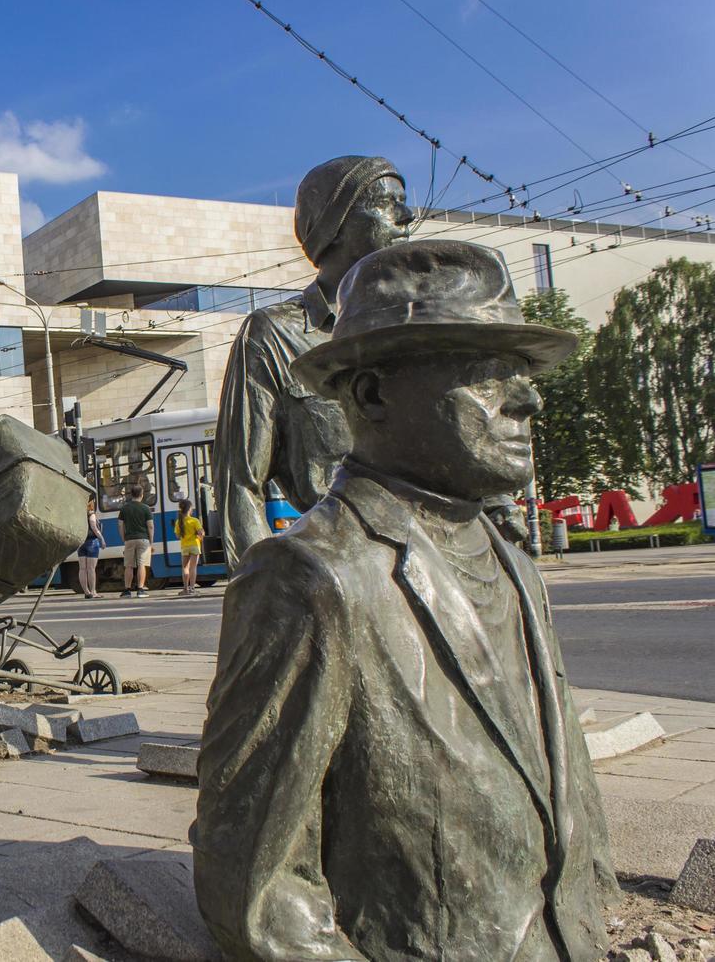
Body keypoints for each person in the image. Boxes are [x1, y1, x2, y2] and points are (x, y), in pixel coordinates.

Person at [193, 238, 617, 961]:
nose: (528, 398)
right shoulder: (312, 580)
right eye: (487, 376)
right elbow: (256, 889)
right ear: (373, 394)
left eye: (521, 372)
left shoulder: (515, 564)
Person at [214, 156, 412, 569]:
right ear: (334, 224)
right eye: (386, 203)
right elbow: (239, 482)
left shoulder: (417, 321)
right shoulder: (274, 334)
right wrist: (260, 585)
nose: (406, 217)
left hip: (439, 559)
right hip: (343, 565)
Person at [118, 482, 153, 598]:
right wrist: (151, 541)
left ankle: (127, 590)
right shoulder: (146, 508)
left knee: (129, 565)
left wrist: (124, 538)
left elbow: (120, 525)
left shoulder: (124, 508)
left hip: (129, 539)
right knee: (141, 564)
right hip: (143, 539)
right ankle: (140, 589)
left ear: (131, 495)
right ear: (142, 495)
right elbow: (150, 526)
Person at [173, 499, 203, 596]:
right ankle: (192, 589)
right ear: (190, 509)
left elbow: (177, 536)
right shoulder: (195, 521)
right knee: (193, 567)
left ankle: (185, 589)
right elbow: (200, 533)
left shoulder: (178, 522)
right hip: (195, 545)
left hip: (185, 547)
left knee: (185, 568)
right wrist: (200, 536)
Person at [77, 496, 104, 598]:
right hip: (92, 542)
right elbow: (93, 525)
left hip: (81, 543)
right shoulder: (91, 514)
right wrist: (102, 539)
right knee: (91, 569)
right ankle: (93, 591)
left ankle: (86, 592)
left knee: (82, 568)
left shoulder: (79, 514)